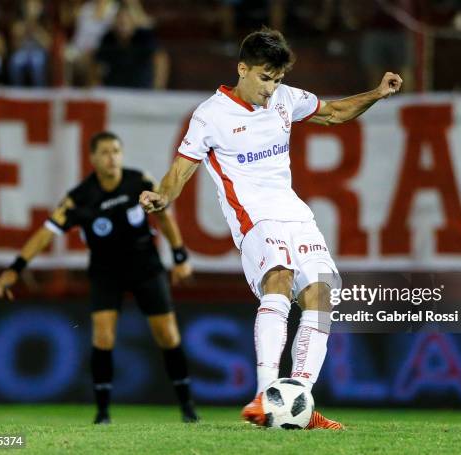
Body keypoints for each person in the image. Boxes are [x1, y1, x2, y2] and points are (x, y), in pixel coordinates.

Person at [139, 28, 402, 430]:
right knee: (278, 280)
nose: (270, 88)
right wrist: (162, 198)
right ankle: (264, 397)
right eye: (265, 78)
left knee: (322, 296)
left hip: (295, 213)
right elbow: (181, 169)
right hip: (254, 217)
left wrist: (376, 94)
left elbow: (333, 113)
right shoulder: (210, 115)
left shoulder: (285, 99)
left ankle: (297, 401)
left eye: (277, 79)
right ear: (242, 69)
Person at [0, 131, 199, 425]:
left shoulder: (139, 181)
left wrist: (179, 256)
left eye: (116, 150)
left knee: (168, 335)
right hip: (106, 272)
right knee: (103, 337)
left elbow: (164, 217)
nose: (111, 157)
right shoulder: (80, 198)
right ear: (92, 158)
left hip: (145, 266)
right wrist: (15, 268)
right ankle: (102, 414)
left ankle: (188, 408)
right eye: (104, 152)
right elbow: (45, 233)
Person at [95, 5, 169, 89]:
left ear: (133, 21)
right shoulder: (108, 38)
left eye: (127, 19)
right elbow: (98, 64)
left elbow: (160, 58)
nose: (123, 22)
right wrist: (99, 89)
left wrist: (158, 88)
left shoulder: (144, 37)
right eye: (119, 19)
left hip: (141, 90)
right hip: (115, 89)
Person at [8, 0, 51, 87]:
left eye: (35, 7)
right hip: (22, 52)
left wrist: (35, 29)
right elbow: (15, 44)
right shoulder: (19, 23)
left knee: (37, 63)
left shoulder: (44, 23)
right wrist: (26, 26)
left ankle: (40, 93)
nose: (32, 9)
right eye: (29, 7)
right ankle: (17, 92)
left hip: (38, 52)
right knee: (16, 62)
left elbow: (47, 45)